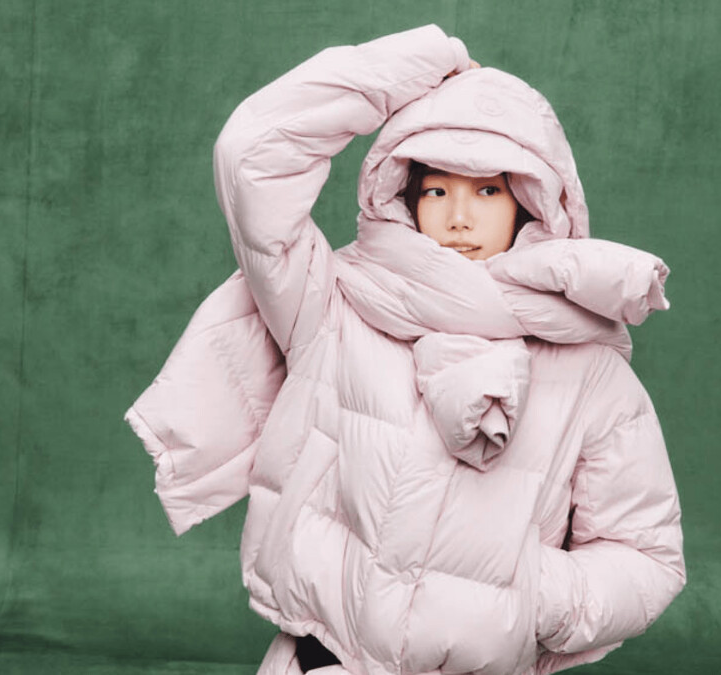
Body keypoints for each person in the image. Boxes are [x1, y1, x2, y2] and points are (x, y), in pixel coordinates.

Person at [125, 24, 685, 675]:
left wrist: (530, 594)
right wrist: (428, 60)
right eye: (436, 190)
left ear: (529, 203)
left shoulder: (589, 369)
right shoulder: (334, 305)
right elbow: (252, 155)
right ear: (404, 197)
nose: (458, 216)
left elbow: (647, 558)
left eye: (487, 190)